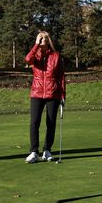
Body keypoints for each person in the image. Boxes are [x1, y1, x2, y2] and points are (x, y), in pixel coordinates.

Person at [24, 31, 66, 163]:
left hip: (53, 93)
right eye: (40, 38)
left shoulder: (56, 56)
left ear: (49, 40)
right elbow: (27, 59)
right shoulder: (34, 55)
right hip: (37, 92)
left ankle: (47, 150)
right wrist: (36, 44)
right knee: (34, 122)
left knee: (51, 123)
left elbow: (61, 76)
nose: (43, 39)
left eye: (45, 38)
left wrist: (63, 94)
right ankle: (34, 152)